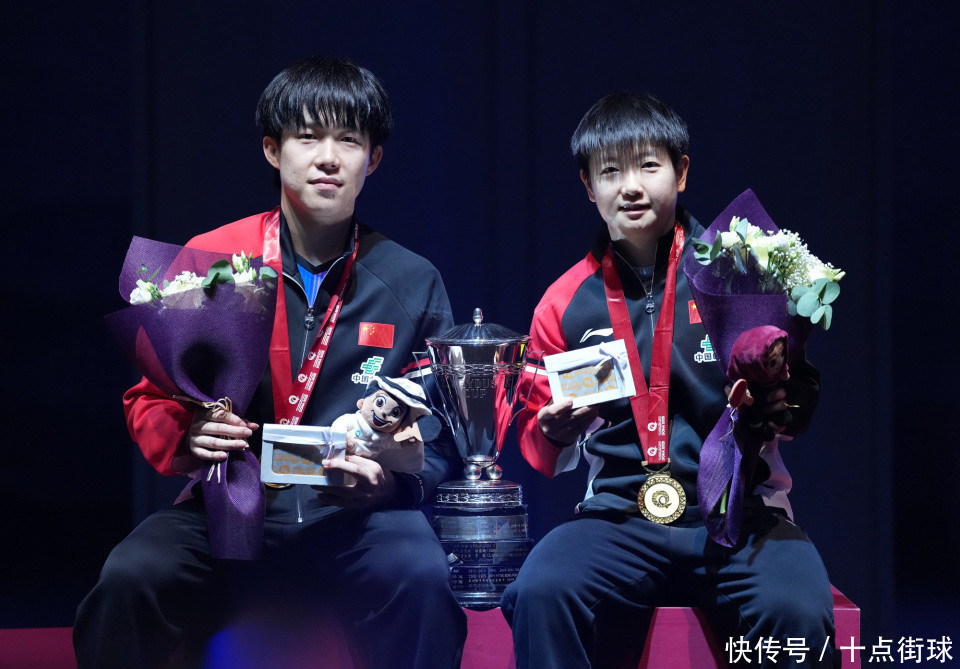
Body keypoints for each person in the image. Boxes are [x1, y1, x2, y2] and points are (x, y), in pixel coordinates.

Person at [75, 57, 466, 668]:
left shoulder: (412, 280)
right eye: (308, 136)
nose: (328, 158)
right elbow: (149, 398)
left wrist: (393, 482)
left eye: (349, 140)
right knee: (130, 576)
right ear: (272, 149)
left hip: (355, 515)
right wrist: (188, 434)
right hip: (232, 503)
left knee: (422, 578)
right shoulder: (213, 261)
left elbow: (444, 428)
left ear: (373, 159)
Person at [499, 91, 839, 668]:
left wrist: (773, 401)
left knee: (797, 611)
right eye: (610, 171)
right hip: (619, 518)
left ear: (681, 173)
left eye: (648, 166)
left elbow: (800, 405)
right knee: (542, 591)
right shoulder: (563, 302)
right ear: (588, 187)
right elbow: (538, 448)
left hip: (743, 515)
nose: (630, 187)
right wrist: (554, 429)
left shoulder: (739, 271)